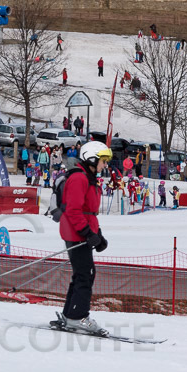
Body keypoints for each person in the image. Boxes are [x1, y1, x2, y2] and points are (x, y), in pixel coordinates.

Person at [52, 141, 111, 336]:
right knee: (86, 274)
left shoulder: (88, 178)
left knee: (82, 273)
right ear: (92, 159)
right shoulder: (79, 178)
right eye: (103, 161)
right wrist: (87, 233)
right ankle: (78, 317)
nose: (105, 165)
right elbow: (74, 211)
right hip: (76, 232)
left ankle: (71, 315)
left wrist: (97, 235)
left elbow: (89, 211)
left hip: (81, 232)